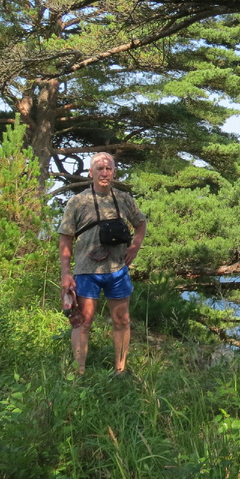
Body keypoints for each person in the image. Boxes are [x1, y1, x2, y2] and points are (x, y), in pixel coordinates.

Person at [59, 153, 147, 376]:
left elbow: (141, 222)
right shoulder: (78, 202)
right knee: (83, 322)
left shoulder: (124, 199)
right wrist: (66, 274)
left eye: (108, 168)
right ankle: (78, 373)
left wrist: (135, 247)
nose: (104, 172)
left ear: (114, 172)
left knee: (122, 321)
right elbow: (65, 238)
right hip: (87, 271)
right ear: (91, 172)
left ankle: (120, 370)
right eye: (99, 168)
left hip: (117, 270)